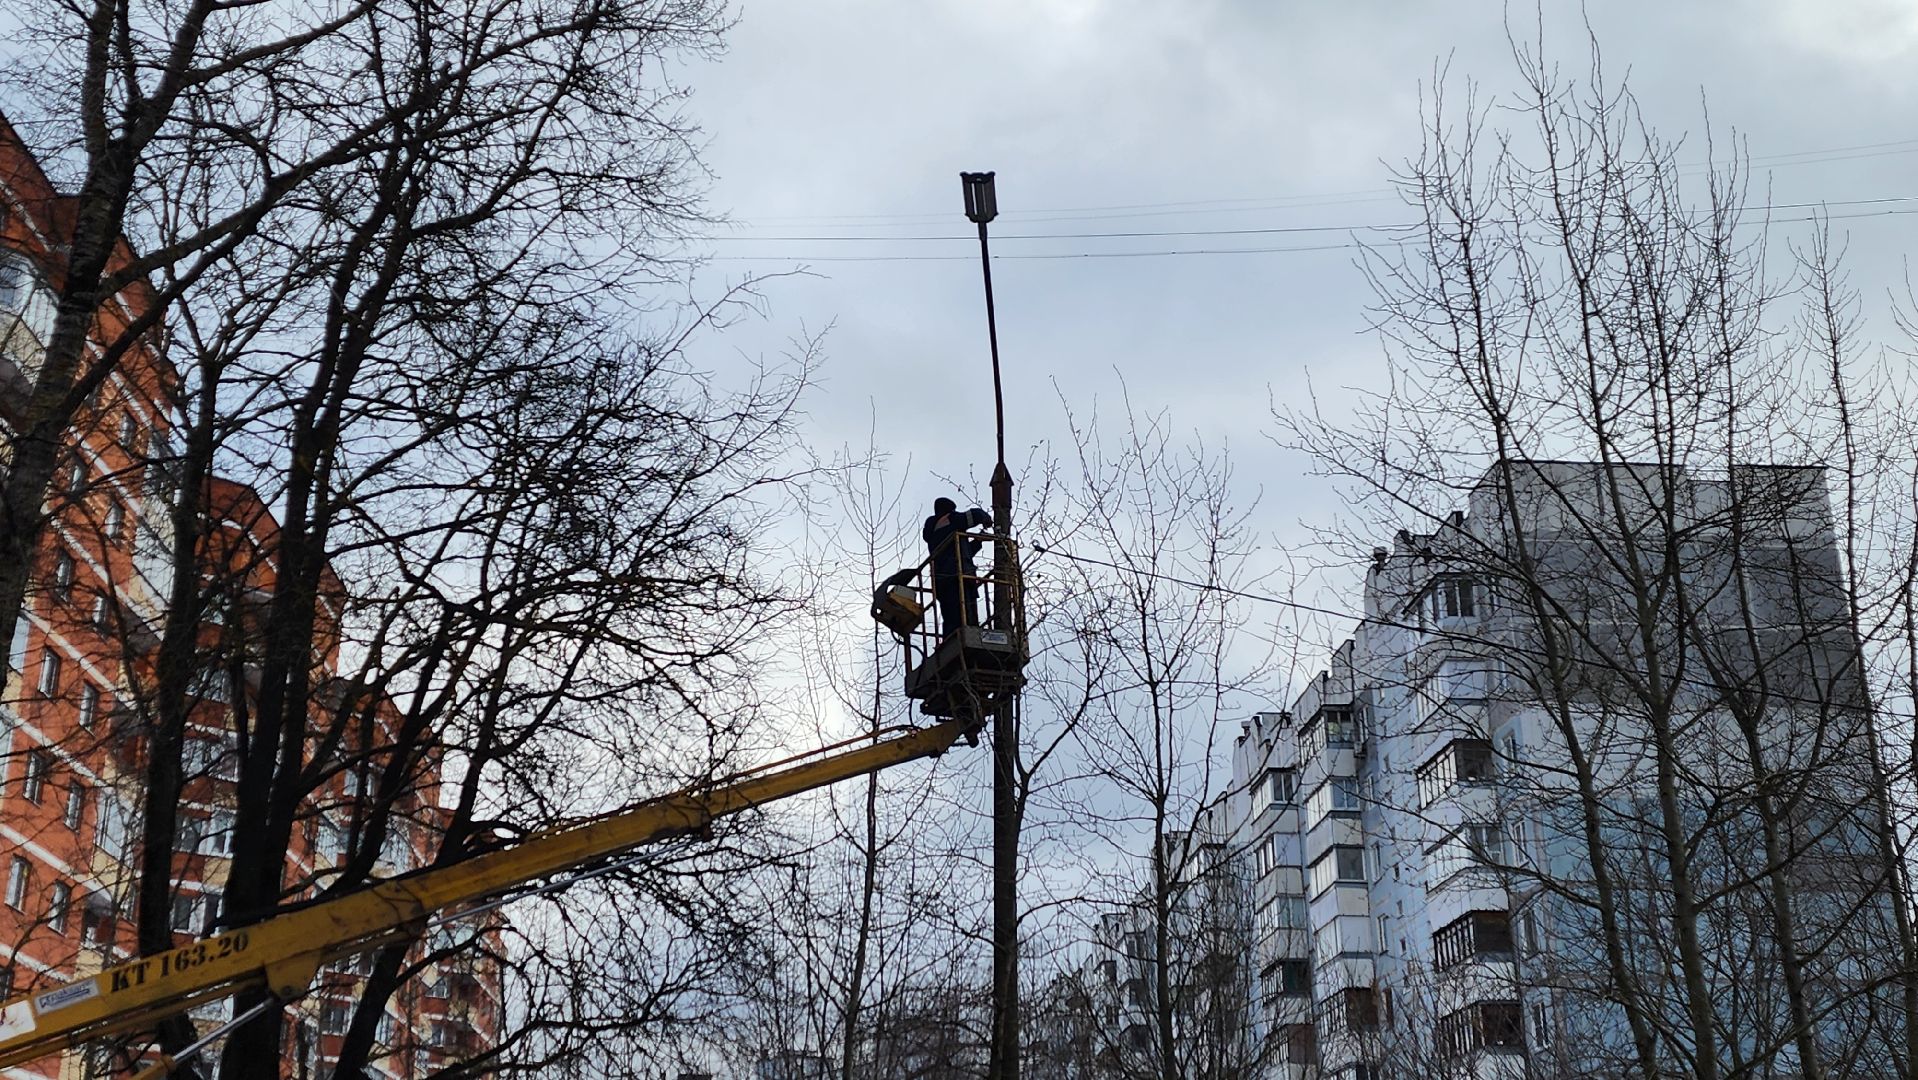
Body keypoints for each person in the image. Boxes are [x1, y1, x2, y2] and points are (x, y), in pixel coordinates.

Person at [923, 496, 994, 636]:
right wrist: (985, 518)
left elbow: (960, 553)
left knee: (951, 618)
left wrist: (977, 541)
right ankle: (964, 638)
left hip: (944, 580)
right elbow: (972, 515)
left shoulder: (938, 533)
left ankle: (952, 639)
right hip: (957, 578)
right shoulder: (948, 520)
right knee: (964, 617)